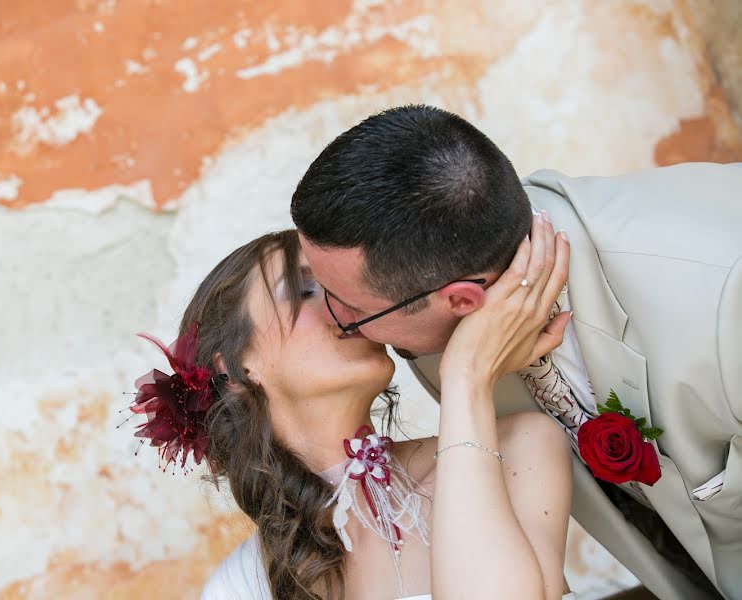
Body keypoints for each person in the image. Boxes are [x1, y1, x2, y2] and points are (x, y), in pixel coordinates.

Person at [290, 104, 742, 599]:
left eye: (350, 307)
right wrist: (466, 375)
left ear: (462, 299)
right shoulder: (449, 323)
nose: (338, 321)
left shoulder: (721, 299)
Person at [126, 221, 577, 599]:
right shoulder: (242, 587)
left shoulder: (521, 449)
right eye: (305, 289)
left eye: (347, 287)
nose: (345, 306)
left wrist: (466, 375)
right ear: (237, 367)